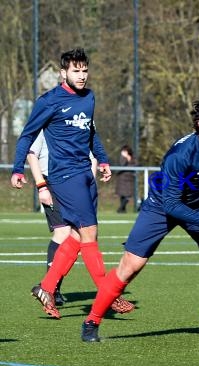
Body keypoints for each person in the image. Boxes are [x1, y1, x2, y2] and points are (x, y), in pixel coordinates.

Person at [81, 97, 199, 343]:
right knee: (130, 266)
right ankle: (92, 320)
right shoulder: (180, 155)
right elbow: (172, 204)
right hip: (162, 205)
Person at [11, 47, 134, 319]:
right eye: (75, 71)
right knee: (89, 234)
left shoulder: (89, 97)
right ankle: (108, 294)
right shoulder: (49, 101)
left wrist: (102, 159)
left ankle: (46, 287)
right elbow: (26, 136)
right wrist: (17, 169)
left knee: (77, 236)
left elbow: (91, 131)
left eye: (84, 70)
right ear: (62, 73)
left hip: (85, 175)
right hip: (64, 177)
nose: (81, 76)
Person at [26, 130, 98, 306]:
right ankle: (50, 289)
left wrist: (89, 185)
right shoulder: (46, 122)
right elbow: (31, 154)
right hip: (51, 181)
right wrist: (41, 186)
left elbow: (92, 156)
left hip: (75, 184)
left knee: (78, 234)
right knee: (63, 232)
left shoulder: (80, 121)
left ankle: (50, 287)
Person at [115, 145, 137, 213]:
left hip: (130, 179)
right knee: (122, 195)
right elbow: (122, 164)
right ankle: (123, 210)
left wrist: (128, 158)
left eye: (125, 151)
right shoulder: (121, 158)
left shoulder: (133, 158)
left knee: (128, 196)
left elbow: (136, 165)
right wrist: (124, 158)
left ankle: (120, 208)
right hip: (122, 178)